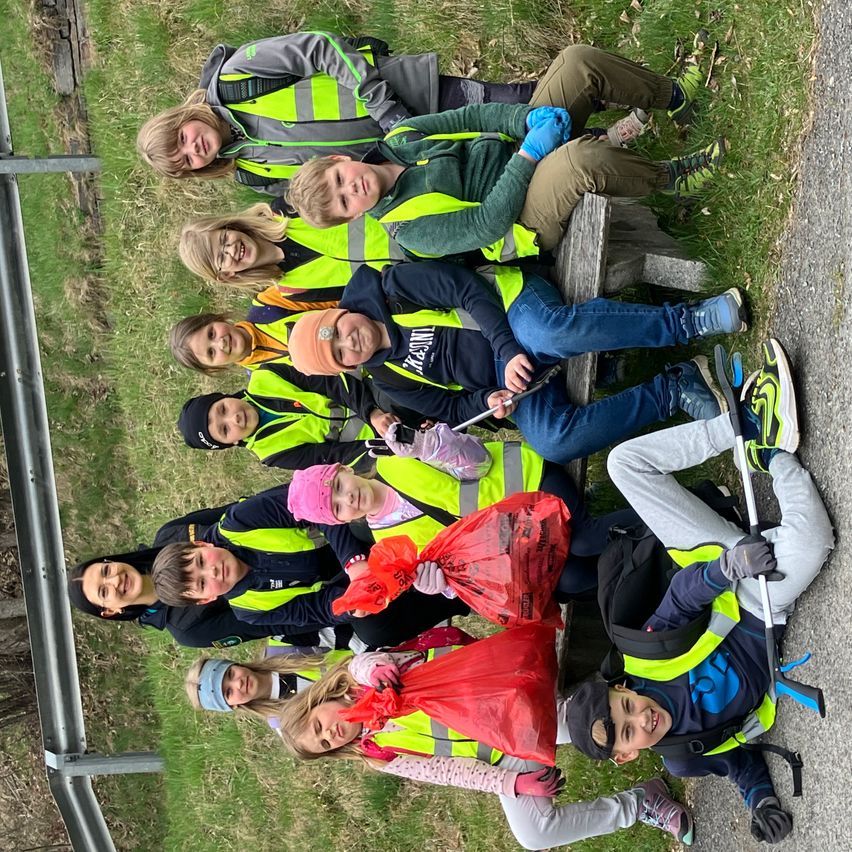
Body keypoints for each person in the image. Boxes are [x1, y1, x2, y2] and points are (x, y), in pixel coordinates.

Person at [565, 340, 835, 845]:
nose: (641, 718)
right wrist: (761, 800)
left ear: (622, 689)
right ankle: (772, 455)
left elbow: (684, 597)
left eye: (626, 706)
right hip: (764, 606)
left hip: (725, 568)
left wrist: (727, 566)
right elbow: (738, 762)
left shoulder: (645, 660)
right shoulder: (682, 757)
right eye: (630, 731)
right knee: (815, 542)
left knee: (624, 464)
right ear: (627, 755)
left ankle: (741, 427)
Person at [285, 261, 744, 465]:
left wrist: (507, 351)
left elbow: (467, 289)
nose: (350, 341)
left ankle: (687, 321)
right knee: (552, 442)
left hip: (512, 308)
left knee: (551, 333)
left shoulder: (392, 289)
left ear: (339, 313)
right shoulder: (387, 379)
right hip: (514, 381)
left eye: (338, 331)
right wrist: (489, 400)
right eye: (340, 354)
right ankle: (673, 388)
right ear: (346, 368)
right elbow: (451, 409)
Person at [285, 45, 714, 259]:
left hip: (520, 149)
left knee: (575, 61)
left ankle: (674, 97)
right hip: (524, 219)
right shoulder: (409, 230)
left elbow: (471, 116)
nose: (352, 189)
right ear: (353, 218)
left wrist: (526, 121)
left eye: (339, 180)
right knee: (577, 161)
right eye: (345, 203)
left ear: (341, 161)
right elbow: (487, 224)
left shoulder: (401, 137)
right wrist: (529, 155)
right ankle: (674, 180)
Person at [277, 645, 695, 849]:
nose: (331, 733)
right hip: (504, 752)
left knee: (575, 721)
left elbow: (366, 661)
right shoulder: (379, 755)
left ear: (319, 699)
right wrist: (514, 784)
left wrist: (375, 672)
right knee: (533, 834)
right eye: (324, 744)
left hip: (511, 703)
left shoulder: (368, 678)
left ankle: (652, 706)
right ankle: (640, 803)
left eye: (319, 724)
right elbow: (449, 771)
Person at [137, 31, 536, 195]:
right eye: (186, 160)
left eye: (183, 139)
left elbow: (320, 47)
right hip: (417, 160)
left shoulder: (237, 77)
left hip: (418, 96)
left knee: (528, 107)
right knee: (523, 158)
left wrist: (390, 114)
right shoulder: (252, 174)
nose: (194, 149)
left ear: (182, 117)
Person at [286, 422, 638, 598]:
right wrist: (442, 586)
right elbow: (467, 575)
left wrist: (432, 446)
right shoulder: (389, 548)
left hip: (527, 483)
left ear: (344, 470)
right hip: (524, 537)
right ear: (342, 521)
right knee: (572, 578)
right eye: (337, 508)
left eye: (338, 488)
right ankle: (650, 555)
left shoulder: (396, 459)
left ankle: (663, 520)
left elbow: (480, 462)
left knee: (583, 540)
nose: (348, 499)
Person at [150, 483, 470, 648]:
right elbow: (314, 612)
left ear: (203, 545)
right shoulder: (250, 611)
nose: (212, 572)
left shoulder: (238, 523)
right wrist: (351, 605)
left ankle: (446, 518)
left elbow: (315, 506)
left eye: (201, 562)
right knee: (373, 630)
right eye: (202, 583)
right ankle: (459, 592)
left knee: (360, 522)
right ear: (206, 599)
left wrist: (355, 562)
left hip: (346, 532)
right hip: (349, 581)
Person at [66, 504, 342, 648]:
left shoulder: (170, 534)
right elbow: (275, 624)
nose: (115, 581)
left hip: (317, 534)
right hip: (324, 591)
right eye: (104, 591)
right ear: (110, 611)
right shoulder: (189, 630)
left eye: (106, 571)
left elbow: (246, 511)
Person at [175, 361, 401, 470]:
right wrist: (387, 445)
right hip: (371, 443)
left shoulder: (266, 376)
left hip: (367, 395)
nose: (234, 419)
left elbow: (330, 383)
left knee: (395, 397)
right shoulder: (271, 454)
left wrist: (373, 414)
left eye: (223, 409)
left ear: (224, 396)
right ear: (231, 443)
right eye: (225, 430)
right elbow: (332, 458)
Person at [178, 198, 405, 297]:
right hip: (410, 269)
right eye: (221, 258)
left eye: (224, 239)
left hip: (403, 220)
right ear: (226, 274)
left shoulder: (285, 208)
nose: (231, 249)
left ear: (230, 226)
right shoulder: (291, 290)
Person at [185, 641, 352, 731]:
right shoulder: (282, 720)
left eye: (230, 674)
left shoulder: (281, 646)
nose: (238, 683)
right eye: (228, 692)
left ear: (234, 664)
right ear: (233, 706)